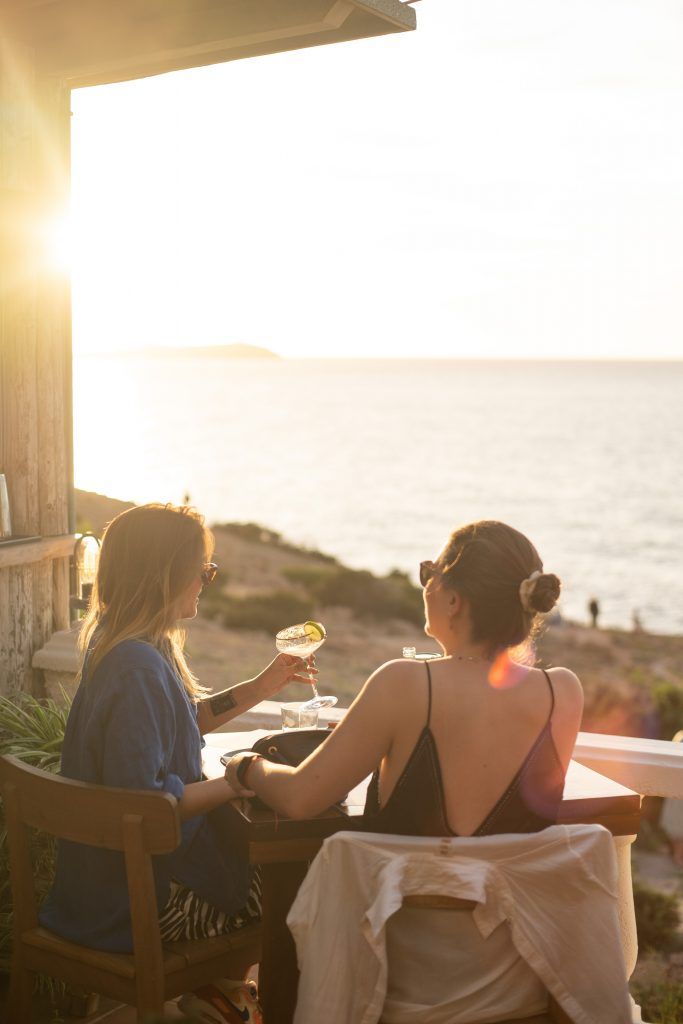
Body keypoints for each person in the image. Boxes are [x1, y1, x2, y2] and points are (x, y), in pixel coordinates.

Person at [40, 503, 312, 1018]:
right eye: (202, 570)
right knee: (297, 887)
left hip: (96, 891)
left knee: (266, 864)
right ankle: (243, 1000)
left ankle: (219, 994)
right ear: (164, 575)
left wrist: (261, 686)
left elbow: (183, 721)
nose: (206, 581)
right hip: (138, 906)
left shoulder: (129, 645)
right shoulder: (138, 668)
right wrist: (237, 779)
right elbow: (147, 806)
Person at [226, 519, 583, 839]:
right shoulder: (563, 691)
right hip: (517, 895)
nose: (424, 586)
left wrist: (246, 766)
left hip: (404, 894)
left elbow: (300, 798)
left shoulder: (404, 684)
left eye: (429, 574)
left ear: (454, 600)